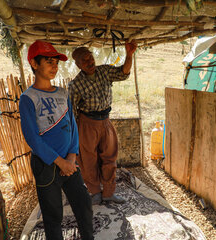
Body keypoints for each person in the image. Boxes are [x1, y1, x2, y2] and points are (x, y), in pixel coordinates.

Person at [19, 40, 94, 240]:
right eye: (48, 61)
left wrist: (71, 157)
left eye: (56, 62)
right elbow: (32, 138)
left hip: (69, 162)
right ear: (34, 64)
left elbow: (72, 125)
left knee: (84, 203)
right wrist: (59, 161)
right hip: (46, 166)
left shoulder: (62, 93)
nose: (54, 66)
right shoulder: (28, 98)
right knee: (53, 215)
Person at [68, 40, 137, 205]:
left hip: (105, 121)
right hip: (86, 123)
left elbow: (123, 73)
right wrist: (75, 133)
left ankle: (108, 192)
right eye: (83, 61)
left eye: (90, 58)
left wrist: (129, 55)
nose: (89, 62)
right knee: (88, 160)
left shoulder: (104, 71)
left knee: (110, 157)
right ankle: (95, 192)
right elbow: (71, 110)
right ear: (78, 65)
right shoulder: (75, 84)